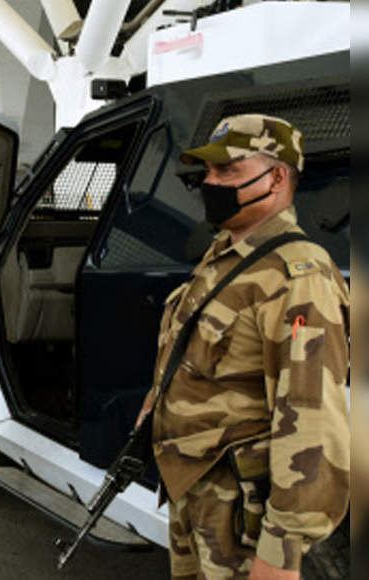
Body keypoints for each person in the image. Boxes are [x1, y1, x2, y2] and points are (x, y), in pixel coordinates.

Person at [135, 114, 349, 579]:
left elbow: (310, 419)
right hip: (195, 495)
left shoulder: (300, 275)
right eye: (208, 173)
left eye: (227, 170)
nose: (210, 182)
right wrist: (158, 404)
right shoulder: (225, 256)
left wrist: (282, 551)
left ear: (276, 176)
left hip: (242, 519)